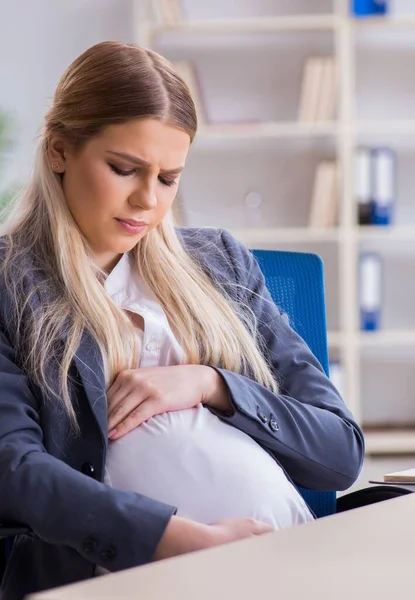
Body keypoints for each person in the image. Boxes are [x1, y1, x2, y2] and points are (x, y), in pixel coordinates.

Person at [0, 41, 364, 600]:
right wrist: (178, 540)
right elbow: (15, 471)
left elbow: (339, 452)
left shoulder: (219, 263)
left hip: (287, 568)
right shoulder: (11, 282)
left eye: (169, 179)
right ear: (59, 151)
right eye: (124, 169)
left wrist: (212, 384)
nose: (147, 199)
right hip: (130, 578)